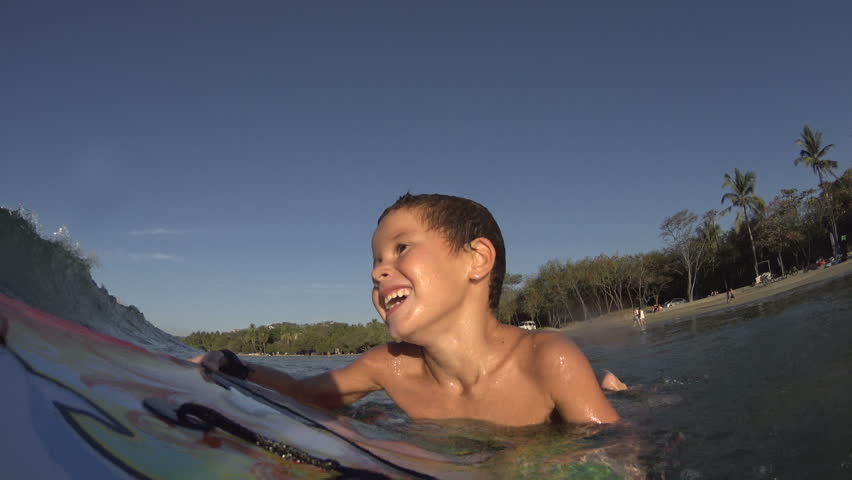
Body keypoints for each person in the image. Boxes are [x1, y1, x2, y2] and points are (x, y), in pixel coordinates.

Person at [193, 193, 621, 426]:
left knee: (613, 399)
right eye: (375, 261)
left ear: (476, 260)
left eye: (401, 249)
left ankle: (614, 390)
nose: (379, 272)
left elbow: (614, 454)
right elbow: (306, 394)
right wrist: (230, 365)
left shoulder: (547, 359)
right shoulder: (389, 366)